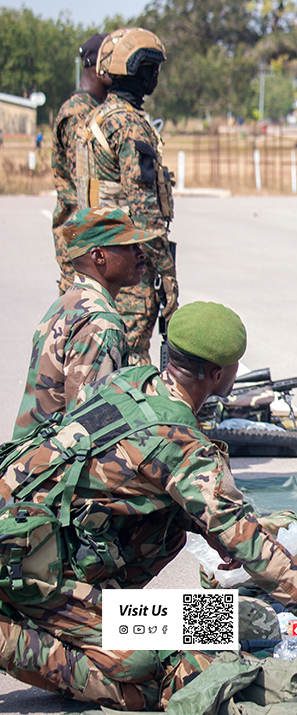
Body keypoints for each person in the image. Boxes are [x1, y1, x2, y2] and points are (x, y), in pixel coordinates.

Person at [0, 302, 297, 710]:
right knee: (164, 676)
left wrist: (209, 529)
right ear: (220, 374)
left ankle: (97, 620)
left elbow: (151, 488)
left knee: (190, 581)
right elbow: (250, 544)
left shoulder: (128, 381)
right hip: (28, 569)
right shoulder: (183, 444)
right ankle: (12, 635)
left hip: (32, 534)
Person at [79, 27, 178, 365]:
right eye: (155, 69)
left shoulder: (98, 118)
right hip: (125, 262)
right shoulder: (130, 126)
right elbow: (145, 211)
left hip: (97, 256)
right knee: (130, 360)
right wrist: (167, 274)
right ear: (144, 71)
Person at [12, 206, 152, 439]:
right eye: (129, 246)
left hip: (32, 458)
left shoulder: (69, 301)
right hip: (52, 467)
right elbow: (90, 428)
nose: (141, 253)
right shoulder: (101, 323)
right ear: (99, 256)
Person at [51, 33, 111, 295]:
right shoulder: (79, 113)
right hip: (84, 250)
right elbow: (87, 192)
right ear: (99, 68)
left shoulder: (95, 108)